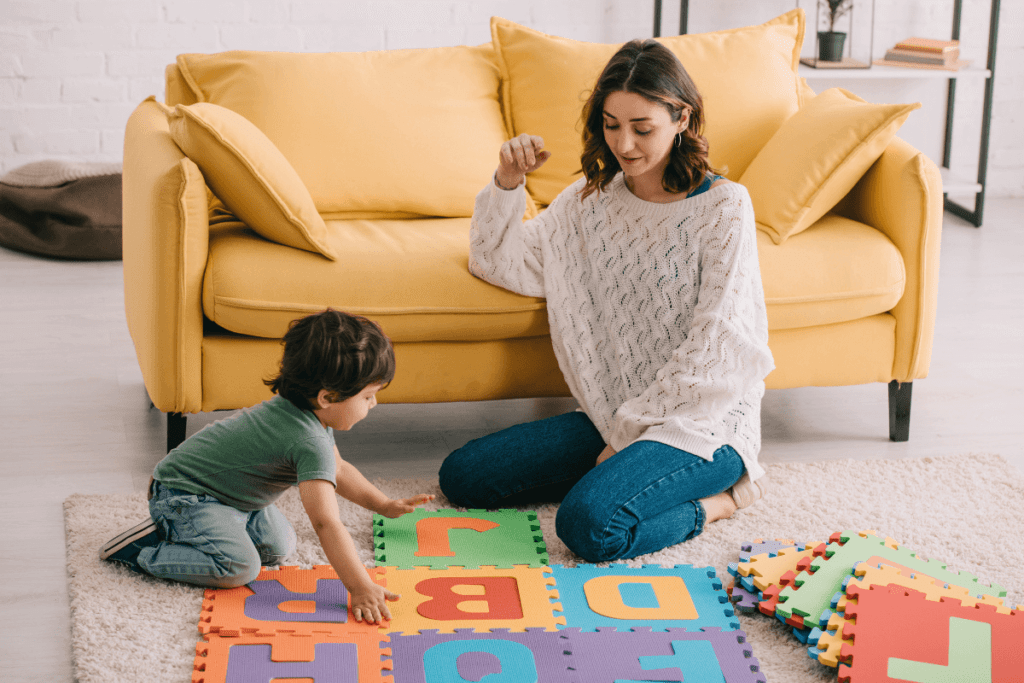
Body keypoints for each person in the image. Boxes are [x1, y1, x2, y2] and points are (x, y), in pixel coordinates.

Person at [439, 39, 775, 563]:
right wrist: (508, 182)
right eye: (611, 124)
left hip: (702, 426)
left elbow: (719, 344)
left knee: (589, 526)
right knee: (463, 478)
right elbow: (499, 263)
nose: (625, 143)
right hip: (612, 411)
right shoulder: (587, 201)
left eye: (643, 128)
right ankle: (624, 474)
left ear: (681, 118)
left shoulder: (724, 206)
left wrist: (624, 441)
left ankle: (723, 501)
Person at [100, 309, 434, 623]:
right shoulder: (308, 439)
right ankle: (145, 550)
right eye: (367, 396)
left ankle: (219, 525)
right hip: (184, 494)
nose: (374, 403)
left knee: (278, 549)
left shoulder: (307, 413)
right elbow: (326, 523)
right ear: (327, 398)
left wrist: (382, 504)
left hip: (233, 497)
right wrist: (360, 586)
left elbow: (340, 470)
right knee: (239, 568)